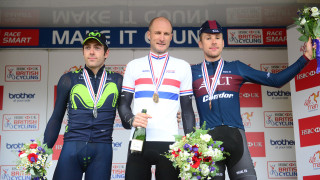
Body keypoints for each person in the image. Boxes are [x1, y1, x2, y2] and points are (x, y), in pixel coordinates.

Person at [191, 20, 316, 180]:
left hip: (236, 140)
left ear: (223, 42)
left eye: (217, 37)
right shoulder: (192, 72)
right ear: (200, 43)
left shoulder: (237, 67)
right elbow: (175, 97)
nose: (213, 41)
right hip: (207, 142)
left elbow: (276, 80)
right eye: (208, 38)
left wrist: (305, 57)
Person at [118, 16, 196, 180]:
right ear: (149, 35)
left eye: (166, 34)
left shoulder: (182, 67)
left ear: (171, 37)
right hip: (139, 141)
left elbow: (187, 110)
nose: (162, 38)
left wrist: (192, 143)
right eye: (158, 33)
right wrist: (131, 119)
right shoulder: (134, 66)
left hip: (171, 143)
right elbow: (123, 104)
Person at [43, 31, 123, 180]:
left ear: (106, 52)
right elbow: (56, 118)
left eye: (97, 47)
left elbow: (126, 116)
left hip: (102, 150)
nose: (91, 52)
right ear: (83, 52)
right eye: (87, 47)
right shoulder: (68, 79)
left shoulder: (117, 80)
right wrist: (43, 151)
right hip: (71, 148)